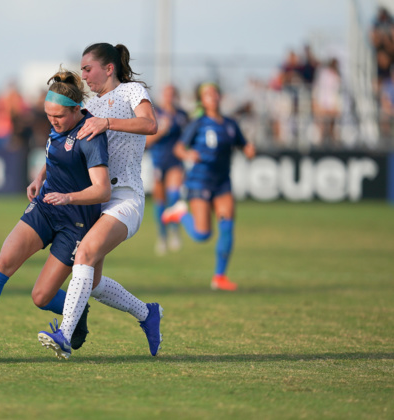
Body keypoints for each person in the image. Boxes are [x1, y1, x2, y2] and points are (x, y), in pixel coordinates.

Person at [0, 68, 111, 357]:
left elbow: (102, 190)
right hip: (45, 207)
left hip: (77, 221)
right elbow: (57, 154)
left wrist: (68, 197)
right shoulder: (59, 125)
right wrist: (40, 177)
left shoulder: (91, 135)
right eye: (48, 115)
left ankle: (78, 309)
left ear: (77, 110)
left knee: (41, 297)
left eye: (58, 116)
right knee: (4, 260)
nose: (53, 121)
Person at [38, 43, 162, 360]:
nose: (83, 75)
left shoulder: (132, 91)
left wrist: (105, 123)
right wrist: (41, 175)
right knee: (90, 281)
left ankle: (64, 335)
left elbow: (150, 124)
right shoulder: (90, 104)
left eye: (88, 68)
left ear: (109, 68)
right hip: (96, 200)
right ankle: (147, 314)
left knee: (86, 253)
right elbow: (67, 143)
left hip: (125, 196)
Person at [162, 82, 256, 291]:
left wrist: (248, 149)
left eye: (214, 92)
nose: (212, 96)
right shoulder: (198, 123)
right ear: (201, 100)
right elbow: (179, 148)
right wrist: (188, 154)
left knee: (227, 225)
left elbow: (242, 144)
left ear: (219, 97)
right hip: (199, 181)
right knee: (202, 235)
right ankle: (179, 214)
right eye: (207, 94)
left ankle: (219, 277)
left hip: (222, 182)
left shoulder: (231, 124)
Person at [145, 84, 189, 255]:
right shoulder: (155, 114)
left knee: (174, 196)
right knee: (160, 201)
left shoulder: (182, 115)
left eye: (172, 93)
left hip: (175, 162)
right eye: (167, 94)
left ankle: (175, 232)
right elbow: (147, 142)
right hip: (158, 161)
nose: (169, 97)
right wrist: (162, 130)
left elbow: (188, 137)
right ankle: (162, 236)